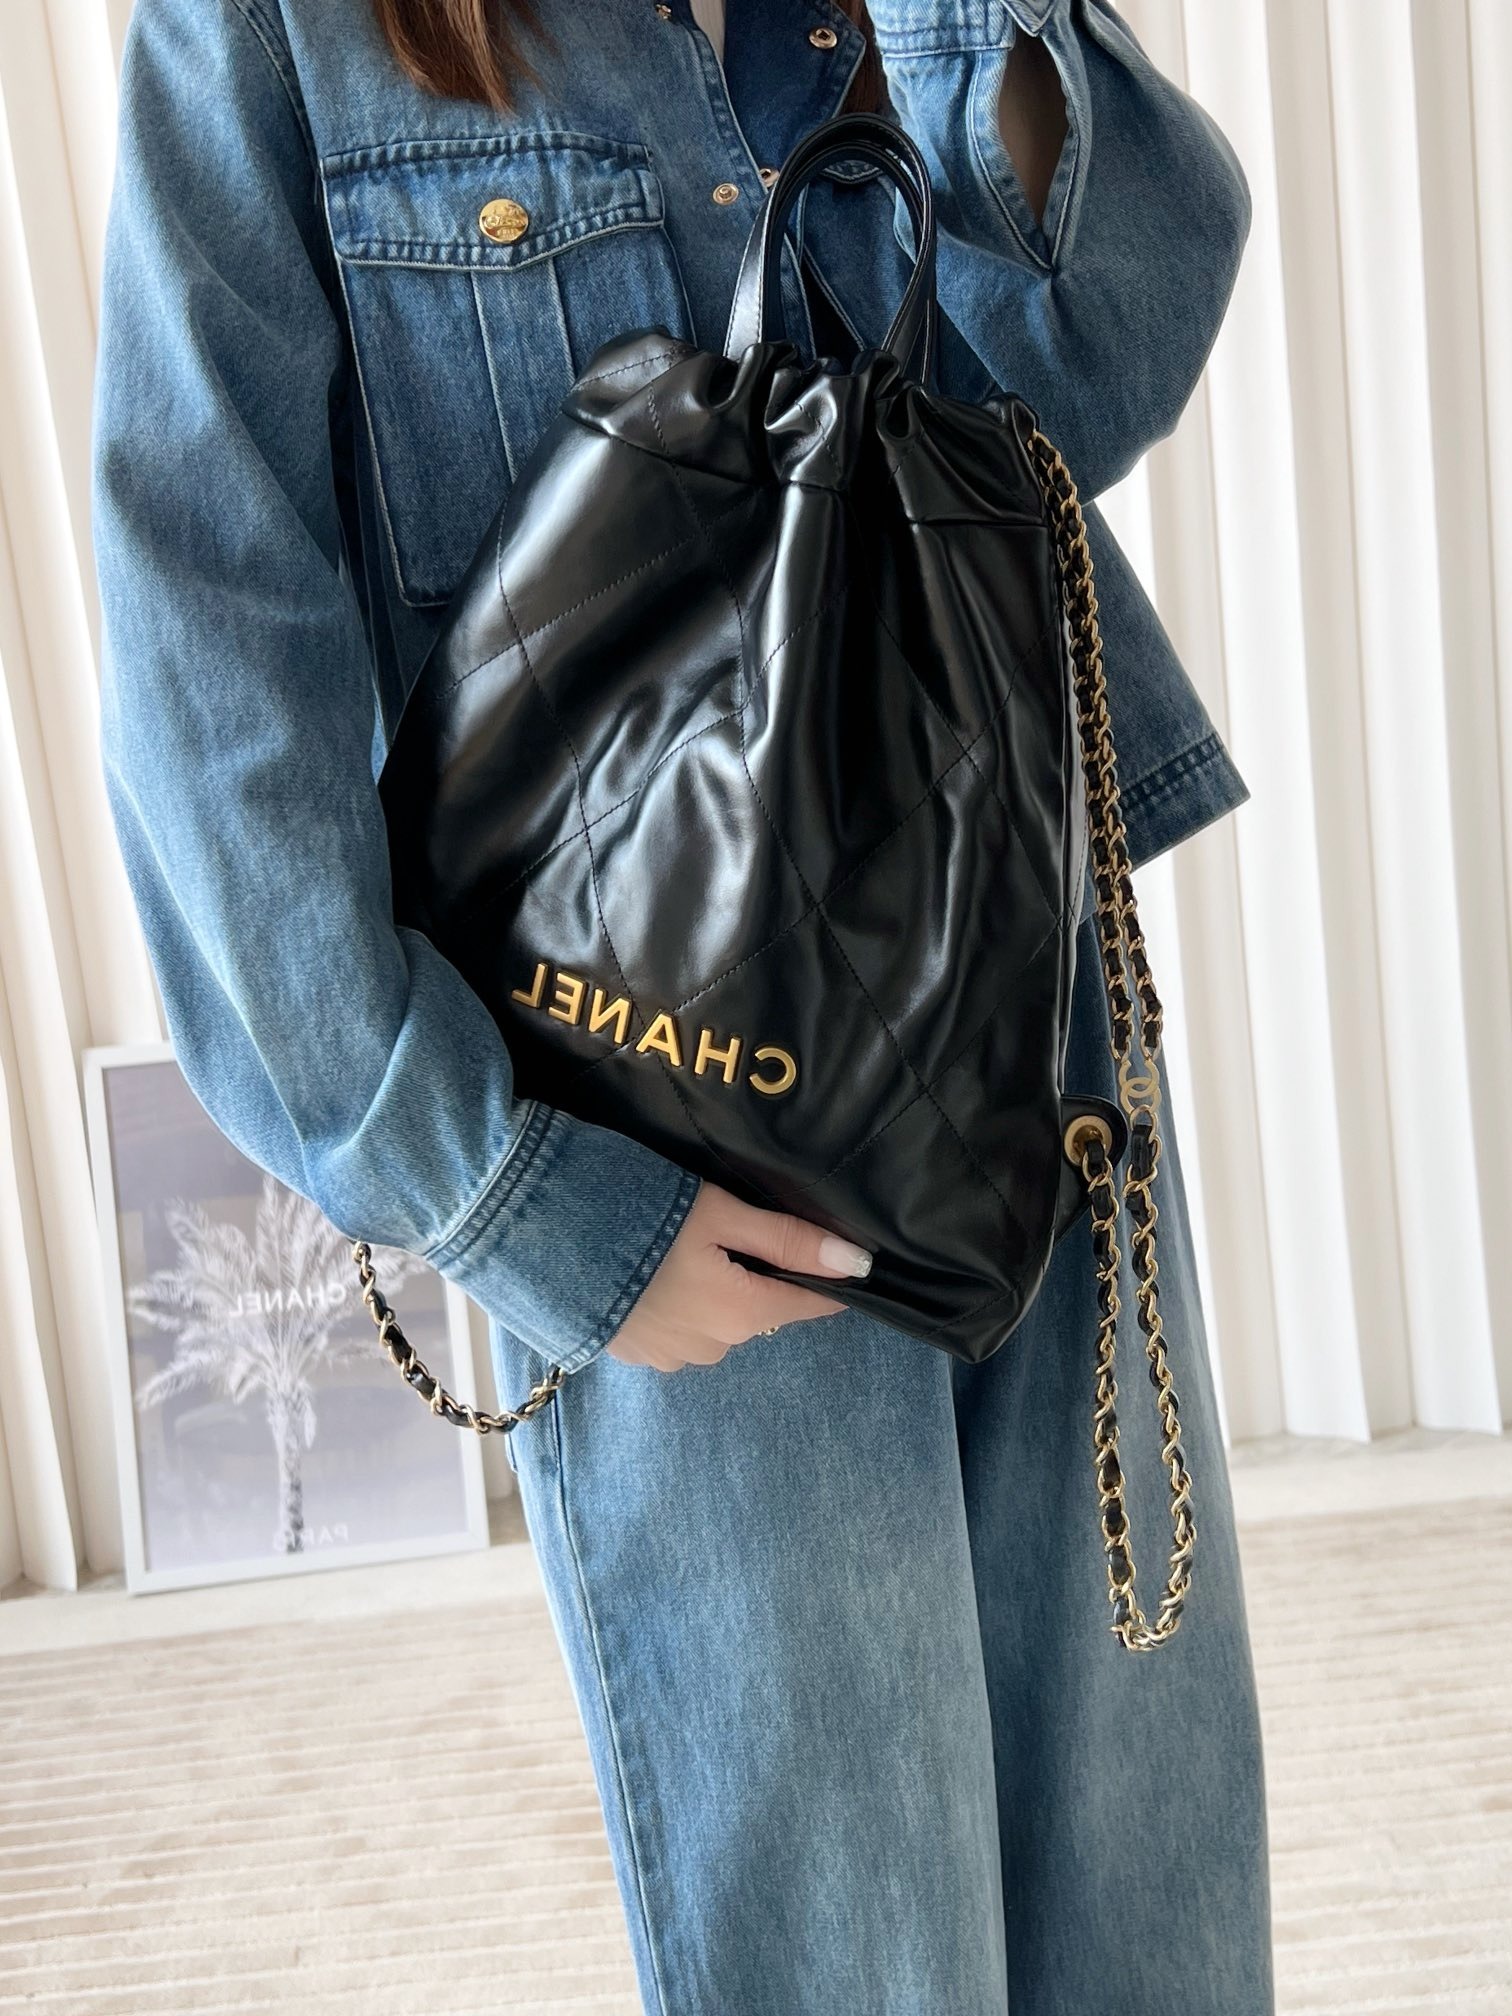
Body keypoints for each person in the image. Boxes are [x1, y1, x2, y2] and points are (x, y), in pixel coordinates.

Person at [91, 0, 1273, 2007]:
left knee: (1145, 1900)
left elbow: (1093, 372)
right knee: (854, 1939)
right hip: (654, 1116)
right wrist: (496, 1190)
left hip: (1019, 1027)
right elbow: (208, 631)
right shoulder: (270, 30)